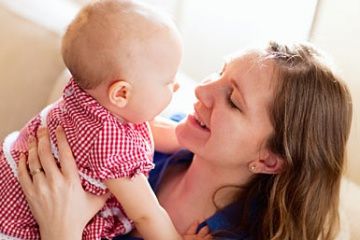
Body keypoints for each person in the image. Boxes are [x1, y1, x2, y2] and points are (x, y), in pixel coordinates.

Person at [18, 41, 352, 240]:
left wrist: (60, 231)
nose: (202, 91)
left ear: (268, 160)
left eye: (232, 100)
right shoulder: (161, 138)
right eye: (220, 71)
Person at [0, 0, 204, 239]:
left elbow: (148, 131)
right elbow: (147, 215)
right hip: (16, 227)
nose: (177, 86)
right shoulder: (111, 146)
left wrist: (189, 139)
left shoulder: (89, 95)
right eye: (168, 81)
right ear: (121, 94)